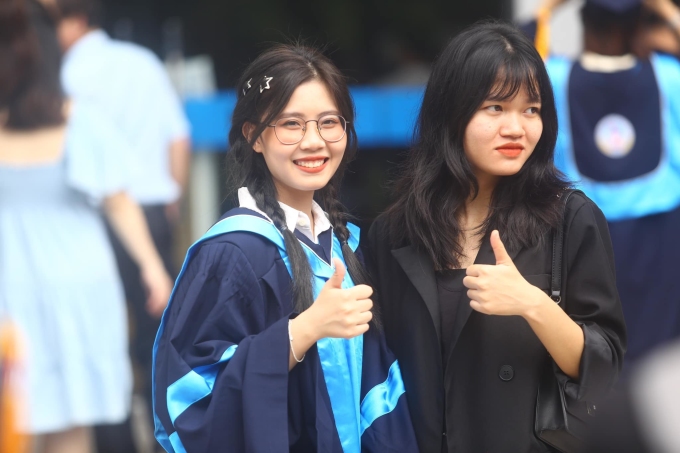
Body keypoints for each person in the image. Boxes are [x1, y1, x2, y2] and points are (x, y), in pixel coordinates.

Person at [366, 21, 627, 453]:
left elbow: (606, 366)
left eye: (531, 109)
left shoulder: (569, 218)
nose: (517, 128)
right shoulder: (394, 233)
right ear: (452, 112)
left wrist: (532, 304)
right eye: (495, 108)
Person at [152, 44, 417, 453]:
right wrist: (304, 330)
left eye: (329, 122)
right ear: (253, 136)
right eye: (291, 124)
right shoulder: (233, 253)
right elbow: (188, 399)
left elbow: (379, 390)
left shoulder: (347, 246)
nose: (314, 142)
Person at [0, 0, 172, 452]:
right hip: (77, 290)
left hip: (13, 293)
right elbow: (120, 200)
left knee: (13, 426)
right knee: (71, 426)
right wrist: (152, 267)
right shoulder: (80, 120)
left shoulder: (76, 119)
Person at [46, 0, 191, 449]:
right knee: (161, 344)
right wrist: (170, 204)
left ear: (73, 21)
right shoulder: (143, 62)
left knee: (102, 343)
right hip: (153, 214)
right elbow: (178, 138)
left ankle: (117, 444)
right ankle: (174, 438)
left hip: (98, 222)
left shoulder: (62, 79)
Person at [532, 0, 680, 366]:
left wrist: (548, 10)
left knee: (600, 350)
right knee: (658, 360)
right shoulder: (668, 77)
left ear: (583, 23)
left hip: (583, 233)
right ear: (637, 27)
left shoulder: (554, 78)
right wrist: (665, 10)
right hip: (662, 237)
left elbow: (517, 54)